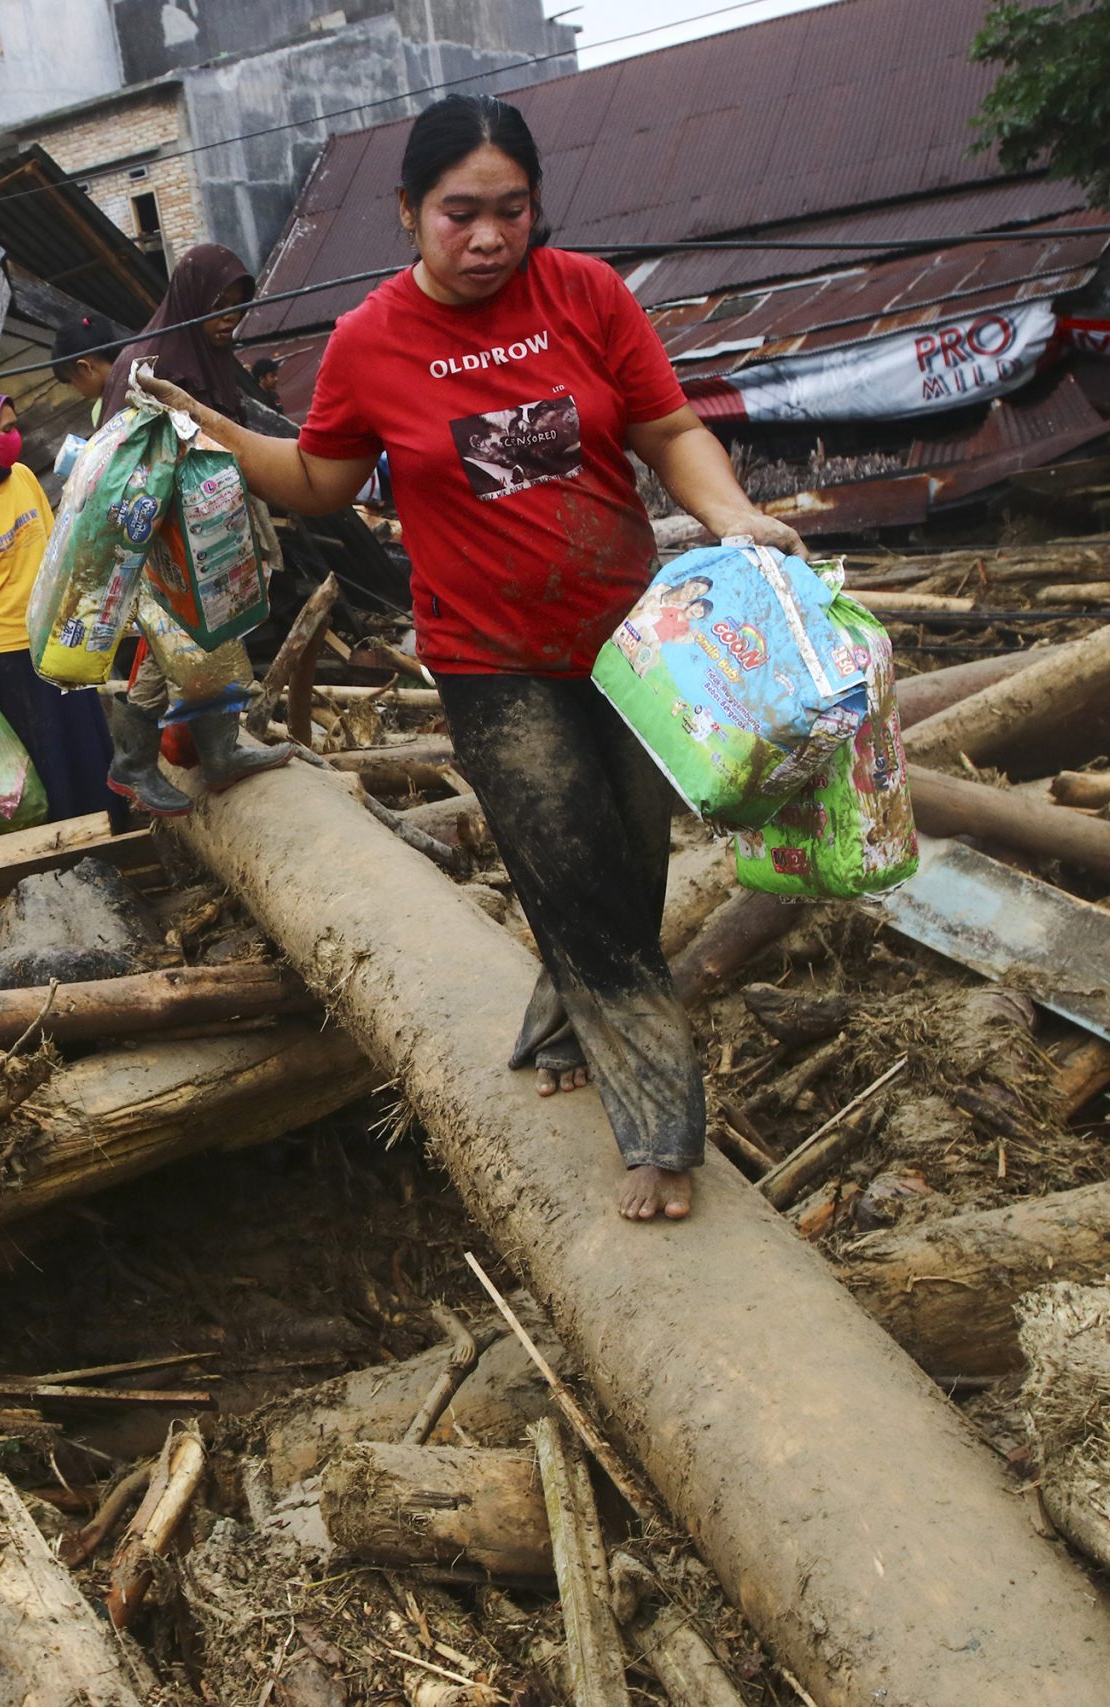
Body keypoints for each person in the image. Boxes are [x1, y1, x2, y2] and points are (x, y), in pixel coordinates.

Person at [133, 95, 805, 1225]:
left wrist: (731, 514)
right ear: (407, 213)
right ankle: (658, 1131)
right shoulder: (369, 341)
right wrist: (213, 432)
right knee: (572, 865)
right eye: (460, 214)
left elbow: (667, 428)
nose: (489, 237)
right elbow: (319, 483)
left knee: (628, 866)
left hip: (633, 647)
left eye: (511, 211)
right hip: (492, 664)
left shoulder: (585, 295)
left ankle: (556, 1021)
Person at [100, 242, 292, 810]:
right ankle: (134, 764)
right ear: (191, 300)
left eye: (237, 307)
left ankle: (217, 755)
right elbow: (121, 463)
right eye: (219, 306)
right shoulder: (151, 364)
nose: (229, 319)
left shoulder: (206, 360)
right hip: (165, 537)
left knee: (213, 643)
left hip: (211, 531)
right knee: (171, 651)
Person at [0, 390, 116, 823]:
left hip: (54, 632)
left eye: (16, 427)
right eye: (6, 429)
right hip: (6, 651)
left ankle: (112, 821)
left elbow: (54, 546)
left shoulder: (22, 477)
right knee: (43, 749)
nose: (16, 437)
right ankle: (65, 841)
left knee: (85, 735)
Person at [49, 316, 129, 432]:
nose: (74, 389)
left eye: (71, 381)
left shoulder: (138, 382)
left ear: (85, 367)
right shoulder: (98, 411)